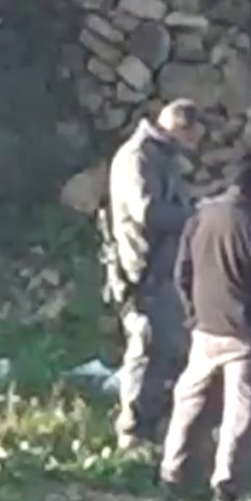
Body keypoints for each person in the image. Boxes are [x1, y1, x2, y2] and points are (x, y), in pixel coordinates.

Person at [159, 151, 251, 501]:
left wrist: (193, 315)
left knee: (189, 401)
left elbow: (181, 273)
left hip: (205, 330)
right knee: (240, 412)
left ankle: (172, 472)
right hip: (246, 336)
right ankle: (226, 484)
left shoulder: (199, 217)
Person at [101, 99, 203, 449]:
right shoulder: (138, 157)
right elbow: (147, 212)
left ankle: (157, 430)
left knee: (169, 348)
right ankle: (132, 433)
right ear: (180, 129)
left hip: (163, 269)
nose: (194, 147)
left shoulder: (161, 158)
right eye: (193, 138)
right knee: (146, 348)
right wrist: (194, 219)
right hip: (143, 272)